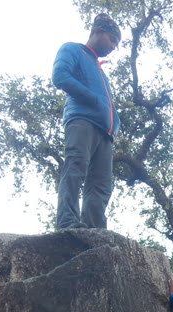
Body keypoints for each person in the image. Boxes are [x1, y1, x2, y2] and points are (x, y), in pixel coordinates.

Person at [52, 13, 121, 230]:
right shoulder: (73, 50)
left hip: (105, 131)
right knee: (76, 166)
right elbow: (60, 76)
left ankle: (95, 230)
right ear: (98, 32)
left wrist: (115, 121)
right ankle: (68, 222)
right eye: (112, 39)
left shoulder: (103, 74)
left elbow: (106, 103)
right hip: (81, 120)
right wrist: (94, 100)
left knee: (101, 185)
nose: (114, 47)